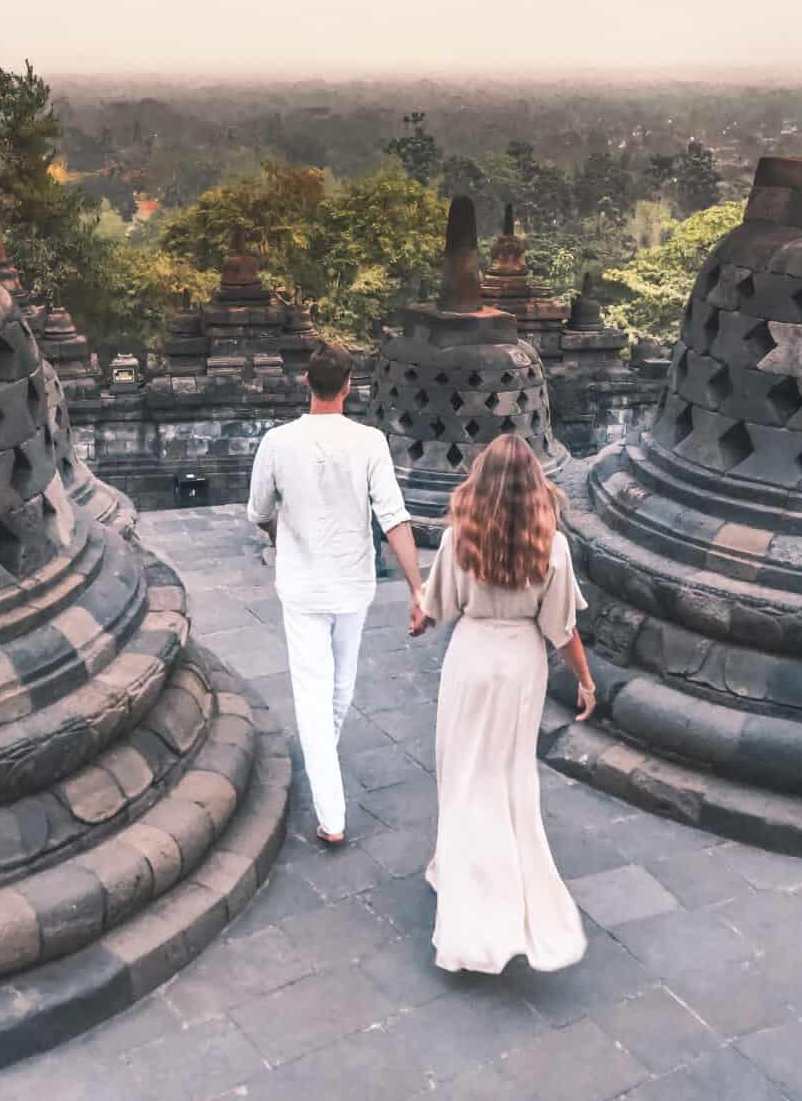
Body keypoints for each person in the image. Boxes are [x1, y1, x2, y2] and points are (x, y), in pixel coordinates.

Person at [409, 434, 596, 975]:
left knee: (461, 771)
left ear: (480, 479)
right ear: (535, 485)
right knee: (507, 775)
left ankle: (462, 875)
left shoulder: (458, 539)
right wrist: (585, 681)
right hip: (520, 664)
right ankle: (498, 884)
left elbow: (436, 607)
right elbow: (562, 629)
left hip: (471, 658)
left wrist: (420, 616)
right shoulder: (551, 546)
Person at [247, 341, 424, 845]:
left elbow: (258, 510)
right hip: (351, 583)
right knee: (338, 685)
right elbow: (394, 518)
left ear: (307, 382)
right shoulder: (368, 442)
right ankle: (331, 804)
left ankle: (326, 784)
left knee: (318, 692)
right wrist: (418, 587)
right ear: (349, 387)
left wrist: (282, 535)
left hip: (306, 582)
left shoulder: (278, 442)